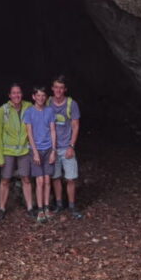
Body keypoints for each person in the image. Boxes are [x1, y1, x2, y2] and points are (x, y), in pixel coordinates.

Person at [0, 83, 35, 221]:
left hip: (24, 150)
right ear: (9, 95)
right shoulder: (2, 110)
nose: (16, 95)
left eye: (19, 92)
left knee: (26, 179)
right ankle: (1, 209)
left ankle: (30, 208)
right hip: (8, 151)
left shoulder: (28, 106)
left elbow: (42, 106)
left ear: (22, 94)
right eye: (14, 93)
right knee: (5, 180)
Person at [49, 75, 82, 218]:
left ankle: (72, 206)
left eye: (61, 88)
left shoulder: (71, 104)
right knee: (55, 177)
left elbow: (75, 126)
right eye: (56, 87)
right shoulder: (48, 102)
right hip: (53, 148)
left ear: (65, 89)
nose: (58, 90)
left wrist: (71, 146)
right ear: (52, 88)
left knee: (70, 178)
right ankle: (59, 204)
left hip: (66, 147)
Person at [23, 86, 57, 223]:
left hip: (48, 148)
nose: (41, 98)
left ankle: (47, 207)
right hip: (36, 149)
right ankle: (40, 209)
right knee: (40, 181)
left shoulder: (49, 111)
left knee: (48, 180)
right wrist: (35, 152)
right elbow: (29, 133)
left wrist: (54, 150)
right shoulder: (29, 112)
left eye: (43, 96)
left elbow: (53, 130)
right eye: (38, 95)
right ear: (33, 97)